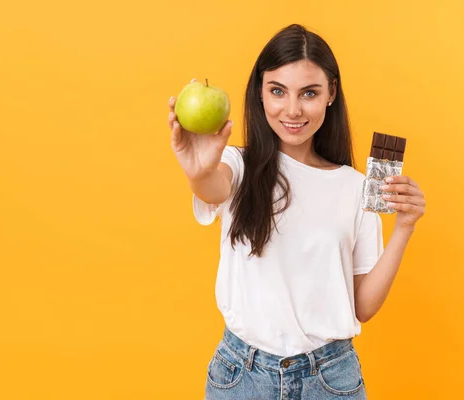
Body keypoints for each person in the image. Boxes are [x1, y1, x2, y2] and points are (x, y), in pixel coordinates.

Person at [168, 24, 426, 400]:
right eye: (277, 91)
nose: (292, 110)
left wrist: (404, 226)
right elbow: (212, 186)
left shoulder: (355, 188)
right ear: (260, 92)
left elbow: (364, 306)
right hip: (241, 377)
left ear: (331, 94)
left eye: (309, 93)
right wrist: (198, 171)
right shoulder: (236, 165)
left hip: (330, 379)